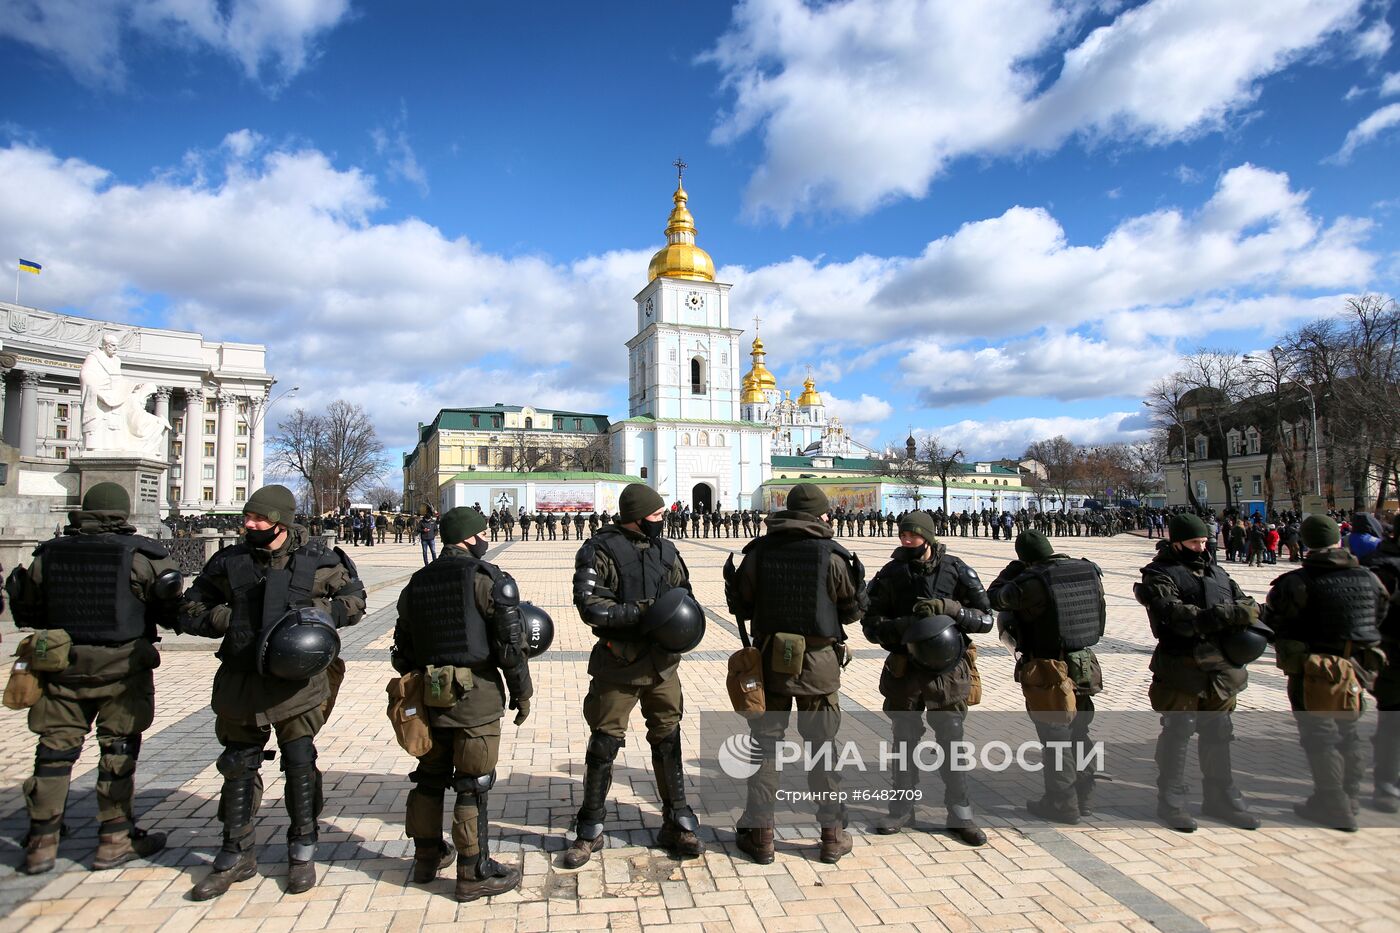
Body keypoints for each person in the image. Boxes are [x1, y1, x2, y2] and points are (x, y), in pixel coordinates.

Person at [179, 485, 366, 898]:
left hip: (298, 683)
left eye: (259, 519)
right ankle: (235, 851)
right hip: (242, 678)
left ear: (280, 522)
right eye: (248, 517)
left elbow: (354, 599)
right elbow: (190, 608)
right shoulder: (229, 561)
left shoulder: (319, 560)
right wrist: (228, 618)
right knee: (237, 764)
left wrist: (324, 615)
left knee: (300, 761)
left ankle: (302, 847)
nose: (249, 524)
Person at [6, 483, 182, 875]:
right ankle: (114, 838)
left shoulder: (48, 555)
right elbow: (169, 609)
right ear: (123, 512)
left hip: (61, 666)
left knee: (54, 753)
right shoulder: (141, 556)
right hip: (122, 669)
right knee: (117, 751)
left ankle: (41, 840)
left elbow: (28, 608)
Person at [392, 507, 533, 900]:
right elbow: (510, 648)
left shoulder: (417, 582)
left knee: (429, 775)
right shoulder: (488, 580)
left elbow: (401, 650)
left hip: (427, 696)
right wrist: (522, 692)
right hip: (475, 696)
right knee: (472, 784)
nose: (486, 538)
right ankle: (474, 871)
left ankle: (425, 856)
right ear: (472, 538)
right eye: (484, 532)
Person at [562, 484, 704, 867]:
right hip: (618, 664)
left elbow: (683, 593)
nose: (663, 521)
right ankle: (589, 827)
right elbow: (591, 606)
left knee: (667, 738)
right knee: (604, 744)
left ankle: (677, 819)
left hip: (662, 665)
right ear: (638, 516)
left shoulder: (667, 550)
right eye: (657, 516)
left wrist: (678, 618)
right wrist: (646, 613)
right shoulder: (599, 550)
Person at [728, 485, 867, 863]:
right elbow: (851, 612)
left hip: (771, 659)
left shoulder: (758, 553)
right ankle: (831, 835)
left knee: (765, 747)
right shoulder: (833, 556)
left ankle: (761, 835)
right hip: (819, 665)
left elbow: (741, 603)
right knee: (823, 748)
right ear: (822, 515)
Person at [861, 510, 992, 846]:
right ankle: (902, 808)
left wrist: (952, 610)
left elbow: (987, 618)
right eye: (903, 535)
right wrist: (906, 626)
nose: (906, 541)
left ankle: (959, 811)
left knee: (952, 741)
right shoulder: (891, 573)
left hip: (947, 672)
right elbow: (870, 623)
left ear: (928, 537)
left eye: (913, 535)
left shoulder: (956, 569)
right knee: (904, 740)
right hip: (906, 670)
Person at [1134, 513, 1263, 832]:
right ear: (1177, 541)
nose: (1201, 546)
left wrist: (1235, 612)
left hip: (1220, 670)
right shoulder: (1159, 574)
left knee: (1219, 732)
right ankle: (1172, 799)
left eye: (1204, 541)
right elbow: (1175, 614)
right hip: (1182, 667)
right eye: (1194, 542)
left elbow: (1246, 603)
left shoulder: (1218, 573)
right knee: (1178, 733)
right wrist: (1225, 615)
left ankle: (1220, 795)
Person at [1265, 515, 1387, 830]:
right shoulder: (1368, 578)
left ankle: (1334, 804)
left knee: (1320, 738)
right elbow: (1380, 614)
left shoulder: (1296, 583)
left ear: (1307, 543)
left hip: (1314, 669)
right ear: (1338, 540)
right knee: (1349, 734)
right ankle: (1349, 797)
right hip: (1357, 667)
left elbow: (1277, 622)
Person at [988, 531, 1105, 823]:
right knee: (1081, 732)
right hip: (1084, 661)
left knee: (1055, 737)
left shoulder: (1032, 581)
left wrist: (1012, 571)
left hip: (1049, 669)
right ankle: (1086, 796)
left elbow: (995, 597)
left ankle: (1062, 804)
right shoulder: (1085, 569)